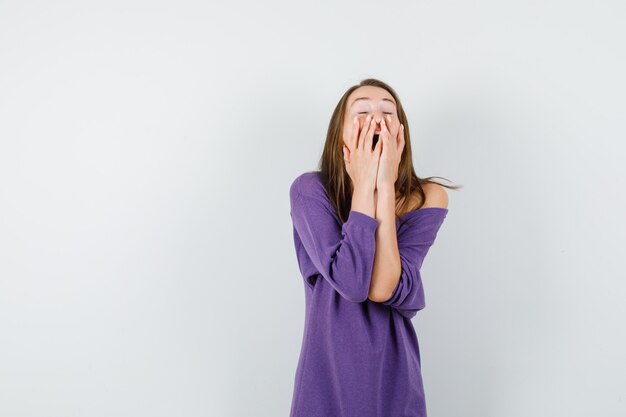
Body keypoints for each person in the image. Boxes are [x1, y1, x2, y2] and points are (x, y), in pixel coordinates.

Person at [288, 78, 460, 417]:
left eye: (387, 110)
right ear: (340, 133)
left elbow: (382, 287)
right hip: (327, 379)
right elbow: (352, 283)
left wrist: (384, 183)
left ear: (402, 133)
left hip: (393, 378)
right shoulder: (310, 190)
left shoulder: (428, 198)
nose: (376, 118)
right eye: (362, 110)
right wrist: (364, 184)